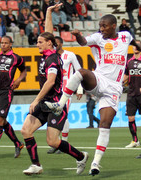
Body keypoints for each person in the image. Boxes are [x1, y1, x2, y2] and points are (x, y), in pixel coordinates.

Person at [45, 12, 141, 175]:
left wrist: (137, 50)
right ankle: (60, 105)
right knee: (81, 72)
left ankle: (95, 163)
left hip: (114, 89)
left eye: (104, 26)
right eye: (100, 26)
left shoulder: (125, 36)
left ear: (113, 26)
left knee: (104, 126)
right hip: (99, 79)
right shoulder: (98, 38)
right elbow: (83, 42)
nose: (101, 28)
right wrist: (78, 36)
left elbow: (132, 42)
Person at [21, 6, 88, 174]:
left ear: (49, 44)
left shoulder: (52, 59)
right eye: (37, 42)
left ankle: (81, 157)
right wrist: (49, 12)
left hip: (56, 104)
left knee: (52, 141)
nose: (37, 44)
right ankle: (36, 165)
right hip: (45, 102)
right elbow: (48, 33)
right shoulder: (46, 55)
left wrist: (35, 100)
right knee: (25, 130)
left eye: (40, 42)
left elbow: (50, 82)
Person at [46, 35, 83, 154]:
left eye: (56, 43)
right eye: (53, 44)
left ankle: (63, 143)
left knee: (63, 115)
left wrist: (80, 88)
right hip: (54, 91)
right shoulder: (51, 57)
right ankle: (57, 143)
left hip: (67, 90)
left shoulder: (70, 55)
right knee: (54, 116)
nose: (55, 46)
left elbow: (79, 70)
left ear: (61, 43)